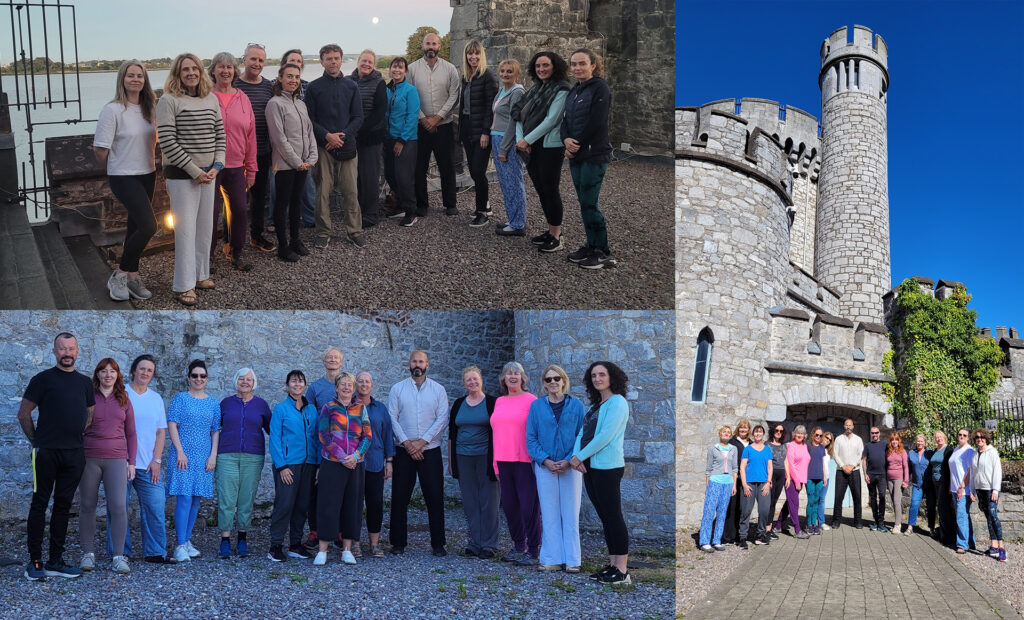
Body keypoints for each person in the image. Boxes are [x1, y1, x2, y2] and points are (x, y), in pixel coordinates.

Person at [17, 333, 94, 580]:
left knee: (62, 506)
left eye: (71, 348)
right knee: (40, 504)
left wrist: (75, 435)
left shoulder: (84, 383)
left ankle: (56, 561)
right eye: (62, 348)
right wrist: (36, 441)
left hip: (74, 454)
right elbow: (23, 415)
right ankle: (36, 563)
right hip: (46, 453)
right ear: (54, 351)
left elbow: (89, 414)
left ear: (78, 351)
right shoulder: (42, 379)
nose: (67, 352)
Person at [158, 53, 226, 306]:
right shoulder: (168, 100)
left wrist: (217, 165)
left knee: (205, 226)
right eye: (185, 69)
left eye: (195, 68)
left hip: (209, 174)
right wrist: (194, 170)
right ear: (177, 73)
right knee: (186, 230)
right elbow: (168, 141)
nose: (191, 73)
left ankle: (200, 275)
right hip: (182, 176)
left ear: (201, 71)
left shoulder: (211, 98)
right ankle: (183, 285)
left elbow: (220, 134)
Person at [93, 60, 158, 301]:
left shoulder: (149, 108)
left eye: (139, 76)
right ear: (122, 79)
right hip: (123, 176)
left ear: (144, 80)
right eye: (130, 75)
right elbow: (100, 148)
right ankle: (119, 273)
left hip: (147, 173)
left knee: (136, 226)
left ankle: (132, 278)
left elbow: (158, 138)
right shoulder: (112, 110)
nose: (135, 79)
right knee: (150, 226)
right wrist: (114, 162)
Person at [570, 361, 631, 584]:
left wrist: (580, 457)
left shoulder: (618, 402)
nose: (597, 379)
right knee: (605, 518)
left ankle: (623, 571)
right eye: (594, 375)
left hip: (608, 468)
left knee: (613, 517)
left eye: (602, 374)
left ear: (611, 377)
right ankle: (613, 565)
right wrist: (575, 457)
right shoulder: (596, 406)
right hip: (590, 467)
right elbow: (581, 434)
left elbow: (605, 436)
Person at [110, 354, 172, 564]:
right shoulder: (120, 394)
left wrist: (157, 461)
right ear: (134, 370)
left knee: (155, 506)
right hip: (120, 462)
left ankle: (155, 551)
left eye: (150, 370)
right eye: (142, 368)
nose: (145, 373)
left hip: (147, 464)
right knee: (118, 508)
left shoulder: (155, 399)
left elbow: (161, 433)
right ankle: (120, 552)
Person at [387, 350, 450, 556]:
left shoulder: (438, 390)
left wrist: (421, 442)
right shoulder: (397, 389)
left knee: (434, 497)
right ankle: (398, 543)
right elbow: (392, 418)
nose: (417, 364)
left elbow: (442, 419)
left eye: (421, 361)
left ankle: (438, 544)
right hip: (403, 451)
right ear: (409, 364)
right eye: (414, 361)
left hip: (429, 451)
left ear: (427, 365)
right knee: (399, 497)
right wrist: (407, 443)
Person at [78, 359, 136, 574]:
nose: (108, 375)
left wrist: (132, 462)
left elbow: (131, 433)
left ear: (118, 375)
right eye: (103, 371)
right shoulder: (88, 397)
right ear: (97, 375)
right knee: (87, 506)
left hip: (116, 459)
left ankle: (119, 556)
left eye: (112, 371)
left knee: (119, 507)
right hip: (89, 458)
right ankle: (88, 553)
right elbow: (78, 427)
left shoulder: (124, 400)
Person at [527, 364, 586, 571]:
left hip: (571, 467)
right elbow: (531, 438)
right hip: (546, 467)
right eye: (548, 379)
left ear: (564, 381)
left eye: (557, 378)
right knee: (549, 512)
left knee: (570, 513)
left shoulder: (577, 406)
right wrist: (545, 460)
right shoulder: (536, 407)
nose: (553, 382)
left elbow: (582, 436)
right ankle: (551, 557)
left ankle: (572, 560)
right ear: (543, 384)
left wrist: (571, 459)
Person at [306, 43, 365, 250]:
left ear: (342, 60)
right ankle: (323, 232)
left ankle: (354, 231)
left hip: (347, 146)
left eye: (336, 58)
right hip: (323, 148)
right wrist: (327, 136)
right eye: (328, 58)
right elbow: (309, 120)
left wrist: (342, 136)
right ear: (322, 61)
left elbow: (358, 117)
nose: (333, 61)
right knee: (323, 192)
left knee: (351, 191)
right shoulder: (313, 88)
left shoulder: (351, 86)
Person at [561, 48, 615, 269]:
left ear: (593, 65)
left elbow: (597, 122)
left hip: (594, 154)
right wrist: (565, 140)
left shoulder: (600, 88)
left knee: (590, 203)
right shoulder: (574, 91)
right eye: (574, 64)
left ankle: (604, 252)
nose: (577, 68)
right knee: (584, 202)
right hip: (577, 154)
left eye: (582, 63)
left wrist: (576, 144)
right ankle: (591, 246)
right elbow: (565, 120)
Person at [313, 373, 372, 566]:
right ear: (336, 388)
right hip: (332, 462)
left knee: (352, 506)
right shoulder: (328, 408)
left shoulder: (361, 408)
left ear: (353, 388)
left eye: (349, 385)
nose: (346, 387)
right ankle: (323, 550)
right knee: (328, 505)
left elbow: (368, 436)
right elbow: (323, 434)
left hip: (355, 464)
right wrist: (341, 456)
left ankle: (347, 549)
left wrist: (355, 456)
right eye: (343, 384)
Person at [166, 360, 221, 563]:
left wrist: (213, 455)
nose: (199, 379)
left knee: (196, 499)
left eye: (202, 376)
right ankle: (180, 545)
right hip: (183, 456)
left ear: (207, 379)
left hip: (203, 456)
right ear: (189, 378)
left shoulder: (213, 403)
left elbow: (215, 430)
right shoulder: (180, 399)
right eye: (195, 375)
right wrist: (179, 451)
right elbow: (172, 424)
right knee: (184, 498)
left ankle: (186, 541)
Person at [515, 51, 570, 253]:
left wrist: (526, 139)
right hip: (532, 146)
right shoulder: (536, 89)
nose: (541, 69)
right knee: (541, 190)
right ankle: (550, 231)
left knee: (550, 190)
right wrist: (522, 140)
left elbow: (552, 120)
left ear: (554, 66)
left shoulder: (561, 90)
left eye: (545, 65)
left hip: (549, 147)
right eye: (538, 66)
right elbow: (519, 114)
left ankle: (557, 235)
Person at [208, 52, 257, 273]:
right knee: (210, 214)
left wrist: (252, 168)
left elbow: (251, 136)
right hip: (210, 165)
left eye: (229, 67)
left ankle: (236, 253)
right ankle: (206, 259)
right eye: (221, 66)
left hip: (237, 166)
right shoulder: (206, 97)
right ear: (213, 70)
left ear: (235, 71)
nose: (225, 71)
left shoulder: (243, 98)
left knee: (239, 210)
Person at [216, 368, 271, 559]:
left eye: (249, 379)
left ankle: (242, 539)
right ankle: (224, 540)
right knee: (227, 499)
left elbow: (273, 429)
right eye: (241, 378)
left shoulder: (261, 405)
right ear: (236, 381)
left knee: (246, 499)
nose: (245, 382)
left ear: (254, 383)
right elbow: (215, 429)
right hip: (226, 455)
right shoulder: (226, 403)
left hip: (253, 456)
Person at [266, 62, 318, 262]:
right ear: (280, 78)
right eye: (289, 76)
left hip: (303, 163)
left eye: (296, 77)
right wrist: (297, 162)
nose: (293, 80)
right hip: (286, 164)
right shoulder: (275, 104)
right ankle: (283, 246)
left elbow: (309, 132)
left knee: (297, 202)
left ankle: (296, 240)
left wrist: (312, 157)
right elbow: (278, 139)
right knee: (282, 204)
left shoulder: (300, 103)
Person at [491, 361, 540, 566]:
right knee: (510, 507)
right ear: (503, 379)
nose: (512, 376)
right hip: (503, 461)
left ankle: (533, 550)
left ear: (522, 378)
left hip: (524, 460)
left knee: (529, 507)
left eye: (516, 373)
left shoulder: (532, 400)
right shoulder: (499, 401)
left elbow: (537, 430)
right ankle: (518, 545)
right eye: (509, 373)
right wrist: (495, 464)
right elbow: (496, 433)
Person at [407, 32, 461, 218]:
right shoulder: (412, 69)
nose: (431, 47)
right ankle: (422, 204)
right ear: (423, 46)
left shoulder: (450, 69)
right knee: (419, 167)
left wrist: (438, 117)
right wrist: (423, 119)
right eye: (428, 43)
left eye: (434, 44)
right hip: (420, 126)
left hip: (444, 125)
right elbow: (410, 95)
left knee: (447, 166)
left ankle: (450, 204)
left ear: (439, 46)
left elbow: (454, 95)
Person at [267, 370, 318, 562]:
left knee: (302, 505)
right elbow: (275, 439)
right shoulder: (281, 409)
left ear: (305, 385)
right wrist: (281, 466)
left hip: (309, 464)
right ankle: (275, 546)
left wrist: (318, 464)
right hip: (288, 465)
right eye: (293, 382)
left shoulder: (311, 409)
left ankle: (295, 544)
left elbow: (316, 437)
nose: (297, 385)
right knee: (284, 504)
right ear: (287, 385)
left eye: (301, 381)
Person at [448, 366, 499, 559]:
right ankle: (474, 542)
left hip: (485, 456)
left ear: (481, 380)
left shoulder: (492, 402)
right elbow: (452, 433)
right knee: (470, 501)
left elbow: (498, 431)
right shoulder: (459, 403)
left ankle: (489, 544)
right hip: (463, 457)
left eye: (475, 379)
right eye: (468, 380)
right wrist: (451, 461)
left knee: (489, 501)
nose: (472, 382)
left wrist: (496, 461)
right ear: (464, 383)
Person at [233, 43, 276, 253]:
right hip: (236, 153)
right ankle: (231, 241)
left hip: (262, 151)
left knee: (259, 197)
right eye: (253, 59)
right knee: (233, 200)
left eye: (261, 60)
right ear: (244, 60)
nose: (257, 63)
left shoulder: (268, 86)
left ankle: (257, 236)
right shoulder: (233, 84)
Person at [301, 346, 344, 549]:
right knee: (316, 492)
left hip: (343, 447)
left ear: (341, 362)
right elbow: (307, 416)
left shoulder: (346, 385)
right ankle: (315, 531)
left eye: (336, 357)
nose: (332, 360)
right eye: (329, 357)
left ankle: (338, 531)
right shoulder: (315, 388)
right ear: (324, 361)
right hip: (320, 446)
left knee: (340, 491)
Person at [353, 371, 394, 558]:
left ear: (372, 385)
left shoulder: (380, 409)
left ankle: (375, 544)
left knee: (375, 503)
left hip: (376, 462)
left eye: (367, 381)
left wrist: (389, 461)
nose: (363, 384)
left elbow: (387, 436)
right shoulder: (349, 405)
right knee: (353, 504)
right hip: (354, 463)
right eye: (360, 381)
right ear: (355, 384)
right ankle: (354, 543)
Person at [459, 39, 499, 227]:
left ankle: (483, 212)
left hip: (481, 131)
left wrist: (485, 132)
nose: (473, 57)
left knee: (477, 170)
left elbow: (491, 108)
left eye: (476, 53)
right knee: (474, 171)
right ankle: (485, 205)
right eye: (469, 53)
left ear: (481, 55)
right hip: (467, 128)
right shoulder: (466, 77)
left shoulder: (488, 76)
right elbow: (464, 107)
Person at [348, 49, 388, 228]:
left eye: (370, 62)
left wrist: (358, 129)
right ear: (358, 61)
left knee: (370, 177)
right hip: (351, 137)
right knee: (354, 177)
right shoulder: (348, 81)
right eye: (364, 61)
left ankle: (371, 214)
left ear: (374, 65)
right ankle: (356, 211)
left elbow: (379, 112)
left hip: (371, 137)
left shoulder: (379, 83)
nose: (366, 64)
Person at [490, 59, 528, 236]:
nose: (505, 74)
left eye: (509, 72)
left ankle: (518, 224)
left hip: (507, 140)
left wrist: (504, 148)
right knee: (506, 183)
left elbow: (514, 122)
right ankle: (512, 219)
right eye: (503, 71)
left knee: (513, 182)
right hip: (497, 137)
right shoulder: (501, 90)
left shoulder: (517, 92)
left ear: (517, 74)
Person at [384, 57, 421, 227]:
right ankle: (399, 206)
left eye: (400, 68)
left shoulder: (410, 90)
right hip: (388, 138)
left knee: (404, 177)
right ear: (390, 69)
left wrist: (401, 140)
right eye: (394, 67)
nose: (396, 70)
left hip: (405, 140)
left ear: (405, 71)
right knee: (390, 174)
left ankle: (411, 211)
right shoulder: (387, 89)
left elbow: (412, 116)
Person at [699, 426, 736, 554]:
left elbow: (735, 468)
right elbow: (708, 470)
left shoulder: (733, 449)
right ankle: (704, 541)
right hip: (715, 482)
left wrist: (734, 485)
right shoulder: (713, 449)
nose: (726, 434)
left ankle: (716, 540)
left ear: (731, 436)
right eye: (724, 432)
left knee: (722, 513)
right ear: (720, 434)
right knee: (709, 512)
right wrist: (708, 485)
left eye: (729, 433)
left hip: (728, 483)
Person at [972, 428, 1005, 562]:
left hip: (991, 489)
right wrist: (972, 490)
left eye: (982, 437)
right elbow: (973, 473)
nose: (980, 439)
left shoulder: (992, 452)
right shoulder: (975, 454)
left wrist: (996, 490)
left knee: (993, 515)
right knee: (988, 517)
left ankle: (1002, 547)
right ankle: (993, 546)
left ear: (986, 438)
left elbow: (997, 471)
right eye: (977, 437)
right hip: (980, 490)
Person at [738, 424, 773, 549]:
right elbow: (742, 467)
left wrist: (768, 482)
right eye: (756, 432)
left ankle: (760, 535)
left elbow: (770, 467)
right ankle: (742, 537)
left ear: (763, 434)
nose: (758, 434)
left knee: (764, 511)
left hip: (763, 484)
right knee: (746, 511)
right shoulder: (747, 449)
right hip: (749, 484)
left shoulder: (767, 449)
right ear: (753, 434)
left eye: (760, 432)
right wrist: (744, 484)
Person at [775, 424, 810, 540]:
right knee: (794, 504)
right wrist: (797, 481)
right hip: (792, 480)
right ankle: (797, 530)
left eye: (802, 433)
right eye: (798, 433)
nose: (800, 435)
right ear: (794, 434)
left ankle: (778, 526)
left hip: (801, 480)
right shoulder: (791, 446)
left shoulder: (805, 446)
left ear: (805, 435)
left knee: (789, 503)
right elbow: (791, 465)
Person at [831, 418, 865, 529]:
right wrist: (843, 466)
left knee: (857, 497)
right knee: (838, 497)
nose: (848, 427)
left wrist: (852, 466)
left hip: (854, 471)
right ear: (844, 426)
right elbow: (835, 454)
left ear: (853, 426)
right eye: (846, 425)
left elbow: (860, 454)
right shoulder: (839, 439)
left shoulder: (858, 440)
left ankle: (858, 521)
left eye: (850, 425)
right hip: (841, 471)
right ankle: (836, 521)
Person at [722, 419, 750, 544]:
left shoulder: (751, 443)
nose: (743, 430)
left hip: (747, 479)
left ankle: (740, 534)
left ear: (749, 430)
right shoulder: (732, 442)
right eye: (741, 427)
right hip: (734, 478)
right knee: (731, 506)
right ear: (738, 429)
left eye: (746, 428)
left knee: (742, 507)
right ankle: (728, 536)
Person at [949, 429, 976, 553]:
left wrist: (962, 487)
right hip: (955, 489)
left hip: (963, 490)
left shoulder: (969, 451)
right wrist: (952, 487)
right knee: (964, 516)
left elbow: (971, 471)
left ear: (968, 438)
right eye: (959, 434)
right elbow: (953, 471)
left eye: (964, 435)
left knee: (961, 516)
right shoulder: (956, 450)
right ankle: (970, 542)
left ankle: (962, 545)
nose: (961, 436)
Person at [905, 433, 934, 536]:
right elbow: (908, 468)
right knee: (914, 505)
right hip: (917, 485)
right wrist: (905, 480)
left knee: (931, 506)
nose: (919, 443)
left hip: (929, 485)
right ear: (915, 442)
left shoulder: (930, 453)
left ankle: (931, 528)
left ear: (925, 443)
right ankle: (910, 527)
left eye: (921, 441)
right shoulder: (912, 453)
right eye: (918, 441)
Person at [930, 430, 956, 544]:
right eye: (936, 437)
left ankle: (946, 537)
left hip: (944, 482)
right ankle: (942, 532)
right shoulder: (936, 450)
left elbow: (951, 468)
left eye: (940, 437)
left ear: (944, 437)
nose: (938, 438)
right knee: (940, 507)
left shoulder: (949, 450)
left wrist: (951, 485)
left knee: (943, 508)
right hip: (935, 482)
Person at [862, 426, 888, 531]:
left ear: (879, 433)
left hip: (882, 475)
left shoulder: (885, 445)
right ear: (870, 434)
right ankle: (875, 521)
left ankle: (881, 521)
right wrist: (865, 474)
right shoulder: (867, 445)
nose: (874, 435)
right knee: (872, 498)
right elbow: (864, 460)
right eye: (872, 433)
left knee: (882, 496)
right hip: (871, 475)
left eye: (876, 432)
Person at [764, 424, 787, 539]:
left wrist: (788, 477)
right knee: (768, 501)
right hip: (771, 474)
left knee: (774, 501)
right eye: (777, 430)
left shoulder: (784, 446)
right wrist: (768, 478)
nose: (779, 432)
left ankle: (769, 528)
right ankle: (764, 527)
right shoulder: (767, 445)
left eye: (781, 431)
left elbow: (786, 461)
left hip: (781, 474)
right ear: (773, 431)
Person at [804, 427, 828, 535]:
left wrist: (824, 477)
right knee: (811, 501)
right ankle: (808, 524)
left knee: (817, 501)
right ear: (813, 435)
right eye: (816, 435)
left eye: (820, 435)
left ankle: (814, 524)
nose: (818, 437)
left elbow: (822, 462)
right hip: (809, 477)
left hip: (819, 477)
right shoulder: (808, 446)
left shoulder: (822, 448)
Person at [885, 432, 909, 535]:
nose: (894, 441)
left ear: (899, 441)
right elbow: (886, 464)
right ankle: (897, 522)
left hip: (899, 479)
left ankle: (898, 525)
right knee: (893, 501)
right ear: (890, 441)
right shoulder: (888, 451)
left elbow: (906, 466)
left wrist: (906, 480)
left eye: (896, 439)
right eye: (892, 440)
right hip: (889, 478)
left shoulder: (902, 451)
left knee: (896, 501)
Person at [818, 431, 836, 531]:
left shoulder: (827, 451)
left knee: (821, 500)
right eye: (826, 437)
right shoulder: (816, 448)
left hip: (826, 478)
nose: (827, 440)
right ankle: (812, 522)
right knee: (815, 500)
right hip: (818, 477)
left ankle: (821, 522)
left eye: (830, 440)